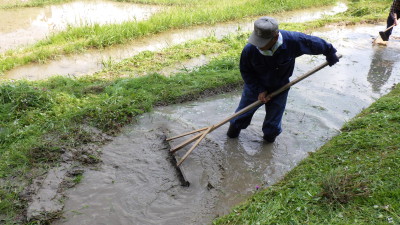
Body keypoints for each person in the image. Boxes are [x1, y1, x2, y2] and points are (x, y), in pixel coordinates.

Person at [227, 17, 339, 143]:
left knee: (273, 125)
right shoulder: (250, 50)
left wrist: (330, 53)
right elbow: (246, 72)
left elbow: (313, 43)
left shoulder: (293, 41)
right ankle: (231, 137)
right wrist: (260, 90)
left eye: (262, 42)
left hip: (280, 87)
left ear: (275, 37)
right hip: (255, 87)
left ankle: (267, 148)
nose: (258, 45)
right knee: (240, 116)